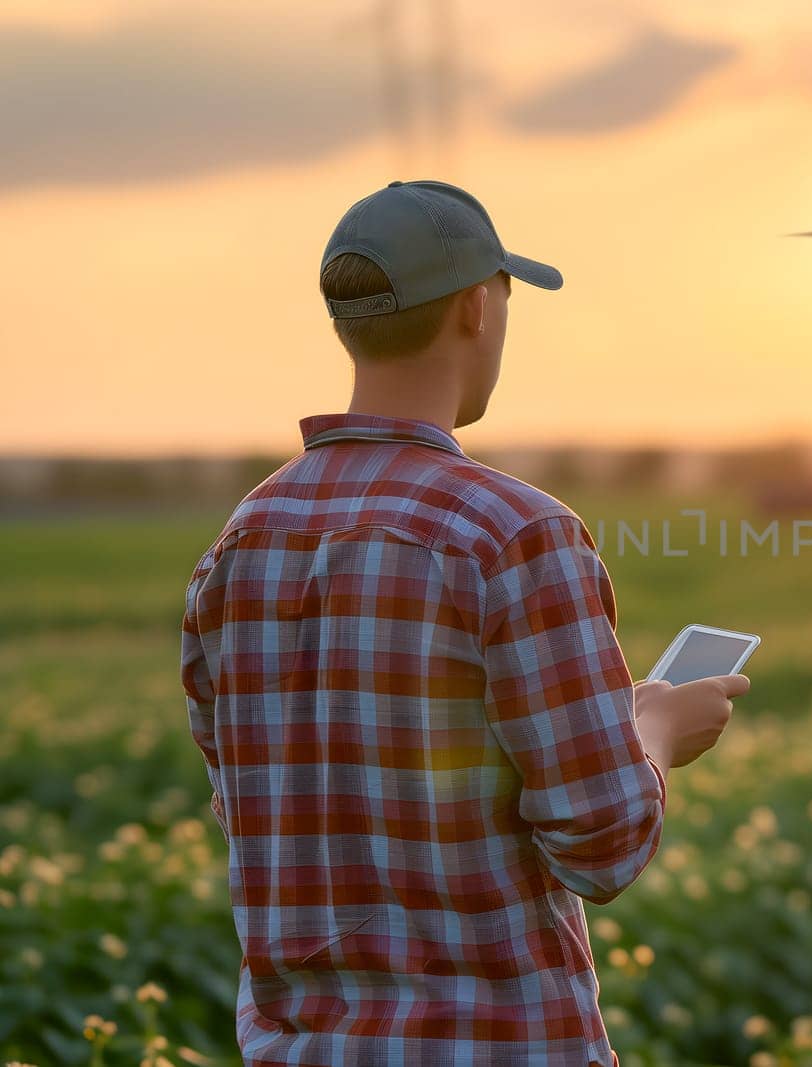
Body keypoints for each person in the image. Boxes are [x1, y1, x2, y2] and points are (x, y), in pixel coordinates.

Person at [180, 179, 749, 1066]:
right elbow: (603, 844)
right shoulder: (517, 534)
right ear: (478, 309)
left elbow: (254, 813)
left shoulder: (239, 543)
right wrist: (655, 727)